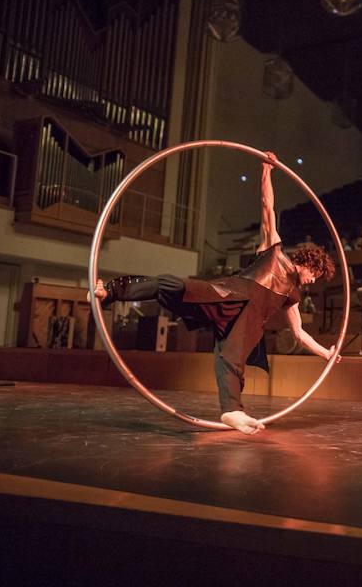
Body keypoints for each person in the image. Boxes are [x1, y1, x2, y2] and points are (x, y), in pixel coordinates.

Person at [94, 152, 340, 435]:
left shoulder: (292, 295)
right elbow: (267, 206)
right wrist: (266, 170)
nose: (312, 281)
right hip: (227, 294)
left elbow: (299, 334)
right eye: (315, 275)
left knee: (231, 360)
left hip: (246, 322)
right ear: (309, 263)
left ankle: (232, 411)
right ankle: (108, 292)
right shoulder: (273, 249)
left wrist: (326, 354)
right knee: (172, 285)